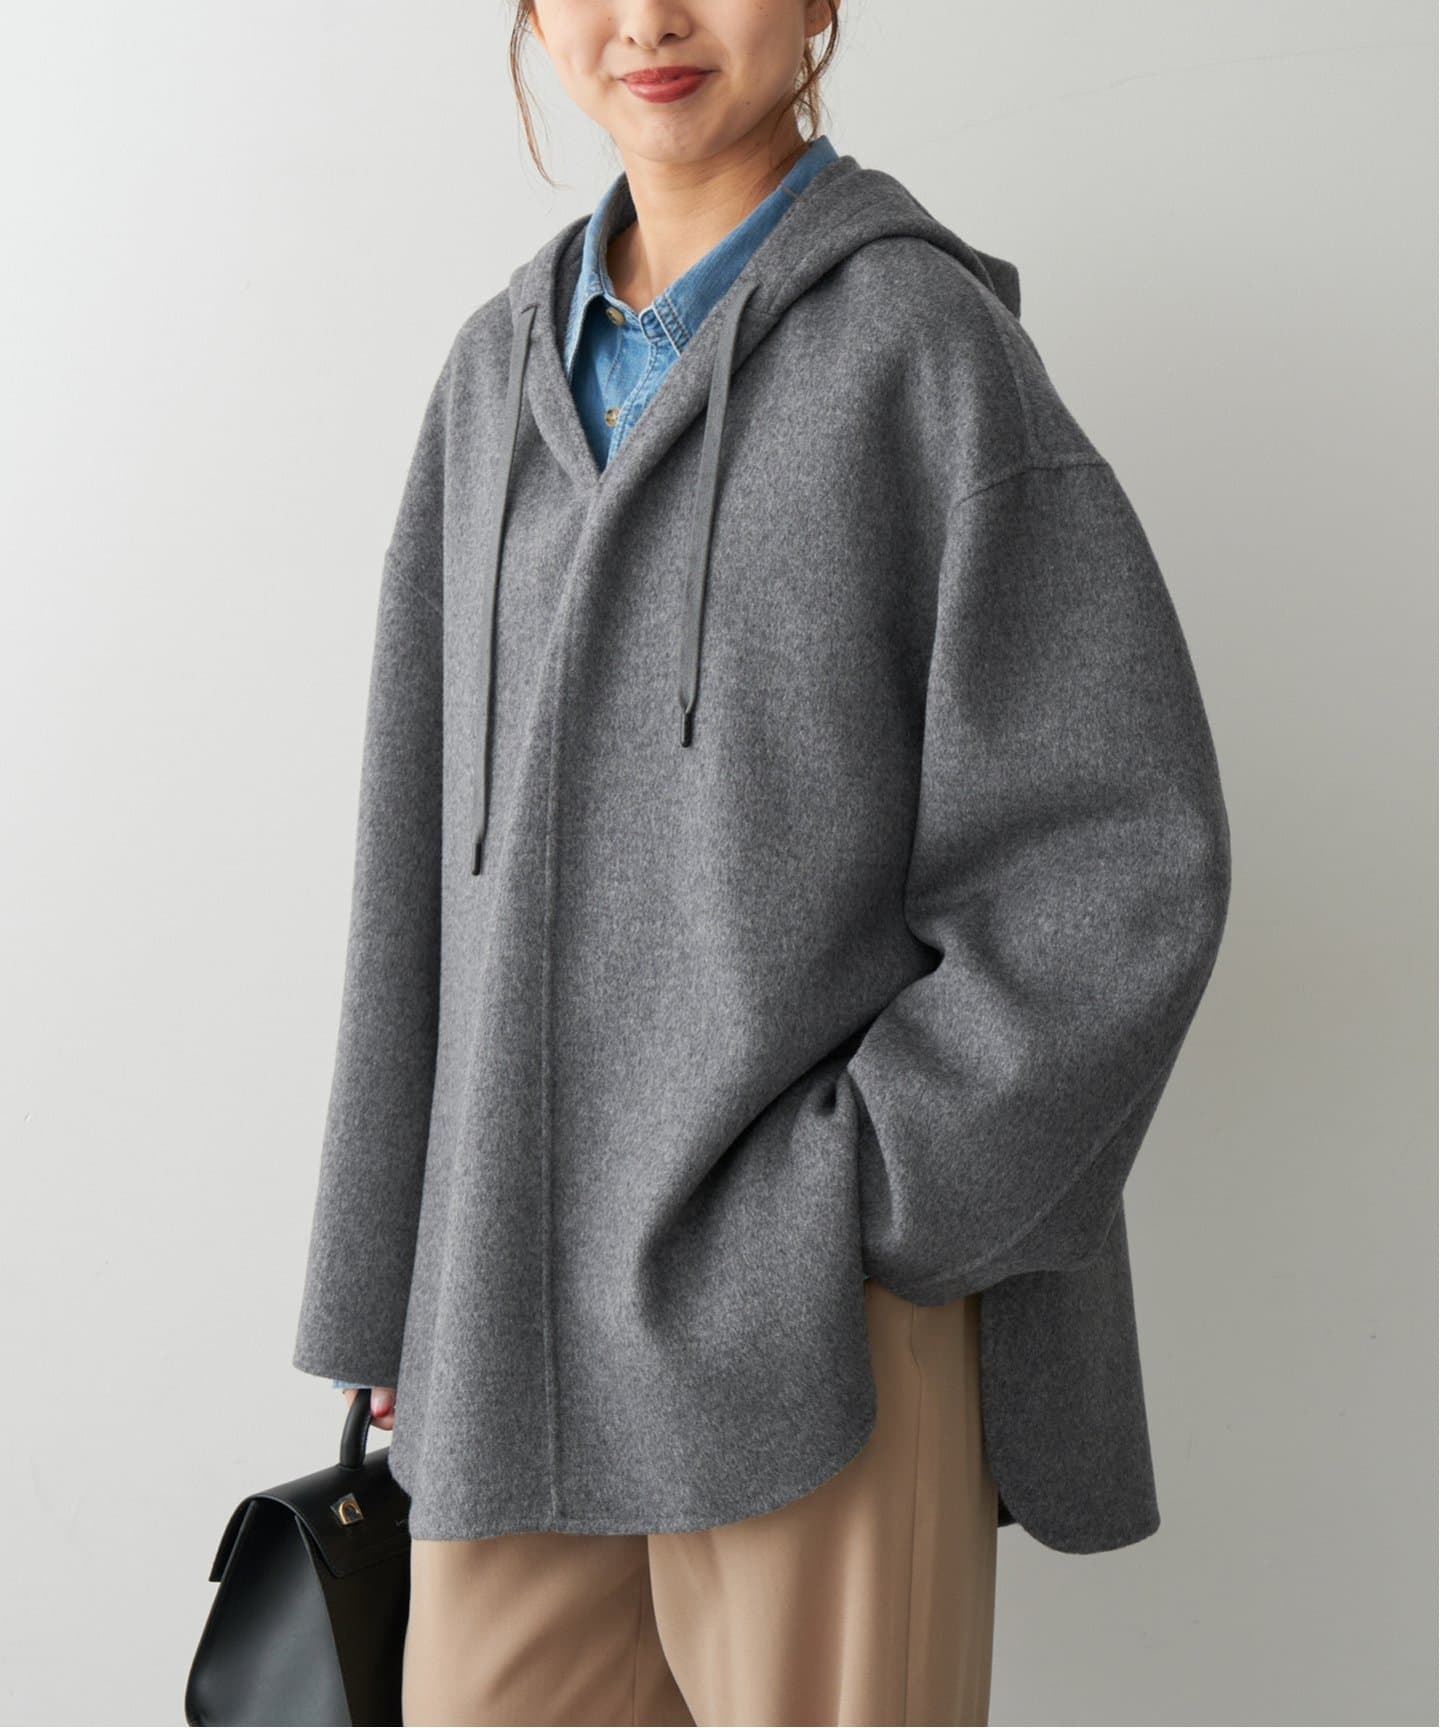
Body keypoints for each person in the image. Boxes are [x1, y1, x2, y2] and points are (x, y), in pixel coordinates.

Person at [291, 2, 1232, 1722]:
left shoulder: (924, 353)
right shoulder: (491, 381)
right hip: (508, 1333)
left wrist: (864, 1204)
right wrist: (393, 1306)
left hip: (818, 1338)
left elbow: (1118, 865)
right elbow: (411, 888)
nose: (649, 19)